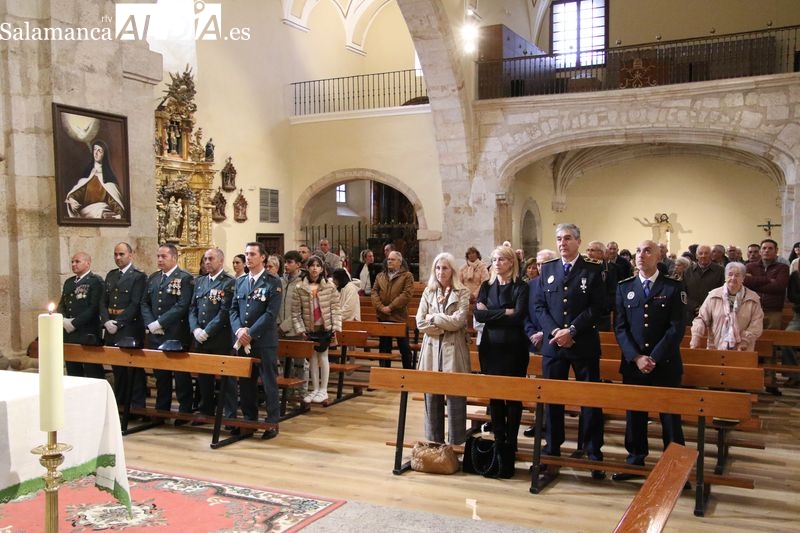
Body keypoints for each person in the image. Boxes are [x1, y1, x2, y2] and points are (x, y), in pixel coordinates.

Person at [535, 224, 606, 480]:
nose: (562, 243)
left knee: (590, 399)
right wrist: (555, 332)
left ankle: (593, 452)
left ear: (578, 241)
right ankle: (552, 448)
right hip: (554, 346)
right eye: (558, 239)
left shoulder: (593, 269)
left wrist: (572, 331)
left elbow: (598, 307)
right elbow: (540, 306)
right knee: (552, 399)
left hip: (583, 343)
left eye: (567, 238)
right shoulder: (548, 269)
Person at [613, 239, 686, 481]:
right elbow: (620, 327)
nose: (641, 255)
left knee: (670, 416)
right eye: (637, 251)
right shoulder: (625, 287)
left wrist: (653, 357)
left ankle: (674, 468)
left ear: (658, 257)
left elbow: (676, 329)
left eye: (647, 251)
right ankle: (635, 460)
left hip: (664, 363)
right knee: (635, 415)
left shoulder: (672, 287)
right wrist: (635, 357)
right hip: (634, 364)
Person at [474, 245, 529, 478]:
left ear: (511, 263)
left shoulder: (521, 287)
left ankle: (512, 440)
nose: (497, 263)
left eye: (501, 260)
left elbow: (519, 315)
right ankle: (498, 438)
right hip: (490, 347)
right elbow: (478, 315)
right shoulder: (486, 286)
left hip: (514, 346)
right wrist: (504, 312)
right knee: (495, 396)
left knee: (513, 396)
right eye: (494, 259)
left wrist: (495, 313)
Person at [229, 242, 283, 439]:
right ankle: (249, 420)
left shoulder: (272, 282)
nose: (248, 258)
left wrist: (250, 332)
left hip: (263, 340)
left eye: (252, 254)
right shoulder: (241, 282)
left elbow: (270, 314)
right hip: (243, 340)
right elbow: (233, 309)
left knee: (269, 382)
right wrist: (238, 332)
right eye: (246, 254)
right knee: (245, 383)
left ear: (262, 258)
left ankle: (271, 422)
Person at [416, 252, 471, 445]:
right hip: (431, 349)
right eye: (437, 268)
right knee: (431, 397)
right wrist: (439, 323)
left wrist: (434, 318)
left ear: (452, 270)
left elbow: (459, 321)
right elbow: (420, 322)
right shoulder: (428, 291)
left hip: (453, 350)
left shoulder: (462, 291)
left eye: (445, 268)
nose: (441, 272)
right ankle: (434, 443)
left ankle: (456, 444)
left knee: (456, 397)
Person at [141, 244, 194, 421]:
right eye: (158, 256)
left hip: (176, 333)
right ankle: (161, 410)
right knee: (160, 375)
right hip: (156, 333)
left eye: (163, 256)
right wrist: (151, 323)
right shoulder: (154, 278)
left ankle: (185, 411)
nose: (159, 260)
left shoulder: (185, 278)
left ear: (174, 257)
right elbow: (145, 303)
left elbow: (182, 305)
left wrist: (160, 322)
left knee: (180, 376)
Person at [189, 248, 235, 419]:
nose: (207, 262)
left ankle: (230, 414)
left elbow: (225, 311)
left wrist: (207, 331)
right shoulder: (200, 282)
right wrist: (195, 329)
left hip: (220, 338)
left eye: (211, 259)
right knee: (204, 379)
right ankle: (206, 410)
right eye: (205, 259)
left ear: (221, 261)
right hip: (200, 337)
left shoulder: (228, 282)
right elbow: (193, 308)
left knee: (226, 379)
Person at [101, 242, 147, 408]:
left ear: (130, 255)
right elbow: (103, 302)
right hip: (111, 327)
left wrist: (119, 323)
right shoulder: (111, 275)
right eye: (115, 254)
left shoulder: (138, 276)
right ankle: (120, 403)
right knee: (118, 370)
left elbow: (135, 304)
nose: (118, 257)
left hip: (129, 328)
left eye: (121, 254)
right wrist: (106, 320)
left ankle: (136, 405)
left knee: (132, 370)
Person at [292, 256, 342, 404]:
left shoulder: (329, 286)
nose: (314, 268)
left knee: (323, 357)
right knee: (312, 358)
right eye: (312, 265)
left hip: (324, 326)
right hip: (309, 328)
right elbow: (296, 312)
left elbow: (335, 308)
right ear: (307, 268)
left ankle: (324, 389)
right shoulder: (300, 287)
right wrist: (301, 329)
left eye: (317, 266)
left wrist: (335, 326)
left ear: (322, 269)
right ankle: (314, 388)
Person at [690, 261, 763, 351]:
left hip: (743, 349)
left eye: (737, 275)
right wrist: (696, 336)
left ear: (743, 278)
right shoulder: (714, 295)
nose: (733, 278)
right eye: (730, 274)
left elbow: (756, 324)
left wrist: (744, 341)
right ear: (725, 277)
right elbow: (701, 318)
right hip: (716, 348)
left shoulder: (753, 298)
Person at [522, 248, 556, 438]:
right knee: (536, 387)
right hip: (533, 341)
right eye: (539, 264)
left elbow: (559, 314)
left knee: (550, 386)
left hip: (552, 340)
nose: (541, 267)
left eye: (545, 263)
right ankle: (538, 421)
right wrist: (531, 332)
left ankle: (550, 424)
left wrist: (545, 332)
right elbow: (525, 313)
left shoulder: (560, 283)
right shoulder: (531, 285)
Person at [59, 251, 105, 378]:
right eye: (72, 262)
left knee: (92, 370)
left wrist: (74, 323)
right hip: (69, 333)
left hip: (87, 332)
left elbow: (94, 307)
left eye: (77, 261)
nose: (74, 264)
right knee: (73, 370)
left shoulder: (95, 281)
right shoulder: (69, 282)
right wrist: (63, 320)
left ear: (87, 263)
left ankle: (96, 397)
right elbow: (62, 303)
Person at [371, 250, 415, 369]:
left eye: (392, 259)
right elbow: (374, 292)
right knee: (384, 347)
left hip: (398, 317)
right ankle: (384, 374)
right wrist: (381, 308)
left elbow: (406, 294)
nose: (389, 261)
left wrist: (390, 307)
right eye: (388, 259)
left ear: (399, 262)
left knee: (404, 347)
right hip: (383, 316)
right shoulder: (381, 276)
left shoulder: (407, 276)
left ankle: (408, 373)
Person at [65, 139, 125, 219]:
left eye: (99, 151)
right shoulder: (88, 176)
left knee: (102, 209)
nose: (96, 153)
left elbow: (113, 200)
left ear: (104, 155)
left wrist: (119, 214)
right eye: (94, 149)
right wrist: (72, 200)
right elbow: (78, 193)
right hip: (87, 212)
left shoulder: (108, 179)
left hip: (102, 211)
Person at [744, 238, 789, 330]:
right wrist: (769, 280)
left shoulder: (783, 268)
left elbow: (779, 287)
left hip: (773, 311)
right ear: (760, 251)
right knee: (752, 340)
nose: (766, 251)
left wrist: (754, 282)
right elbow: (745, 283)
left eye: (770, 248)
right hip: (752, 309)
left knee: (773, 340)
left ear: (776, 251)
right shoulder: (750, 267)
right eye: (764, 248)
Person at [683, 244, 725, 323]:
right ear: (696, 256)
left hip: (713, 315)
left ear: (711, 255)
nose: (703, 256)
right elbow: (683, 293)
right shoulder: (688, 272)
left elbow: (723, 292)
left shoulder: (720, 271)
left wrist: (706, 308)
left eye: (706, 253)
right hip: (691, 315)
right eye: (701, 253)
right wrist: (695, 307)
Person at [586, 240, 618, 331]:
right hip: (585, 312)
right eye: (588, 250)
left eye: (592, 250)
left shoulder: (611, 269)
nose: (589, 253)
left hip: (603, 313)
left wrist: (605, 307)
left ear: (601, 253)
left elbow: (612, 291)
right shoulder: (583, 268)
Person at [781, 260, 800, 387]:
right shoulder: (795, 276)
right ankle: (793, 376)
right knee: (785, 339)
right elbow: (792, 296)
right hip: (799, 315)